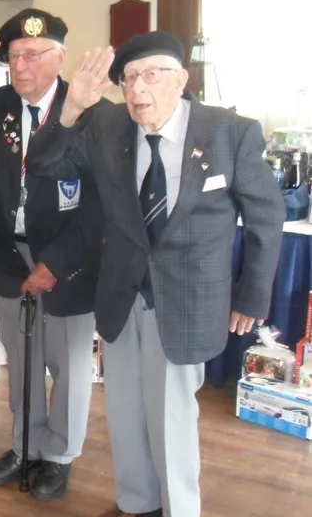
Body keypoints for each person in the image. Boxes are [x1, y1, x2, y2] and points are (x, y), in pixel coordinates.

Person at [51, 31, 284, 516]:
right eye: (129, 77)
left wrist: (252, 295)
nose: (139, 88)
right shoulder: (108, 126)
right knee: (125, 409)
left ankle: (179, 509)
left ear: (180, 79)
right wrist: (70, 110)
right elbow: (46, 166)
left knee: (171, 416)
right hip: (122, 294)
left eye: (152, 75)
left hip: (187, 301)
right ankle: (137, 503)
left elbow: (266, 216)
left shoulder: (229, 132)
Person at [0, 8, 105, 499]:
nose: (21, 65)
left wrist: (56, 262)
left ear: (61, 57)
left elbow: (99, 206)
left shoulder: (92, 112)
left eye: (33, 54)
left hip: (68, 260)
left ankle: (60, 454)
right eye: (14, 55)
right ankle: (26, 444)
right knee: (22, 362)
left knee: (69, 366)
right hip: (7, 256)